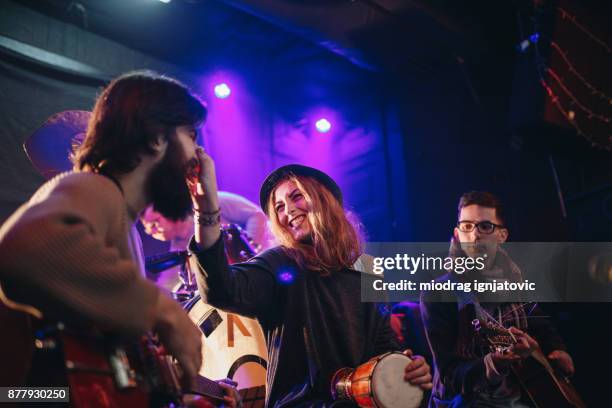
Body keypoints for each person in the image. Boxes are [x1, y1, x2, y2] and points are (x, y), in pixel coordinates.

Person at [0, 71, 232, 403]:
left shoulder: (117, 218)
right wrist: (162, 308)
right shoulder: (94, 187)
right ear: (155, 136)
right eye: (190, 134)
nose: (199, 154)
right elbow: (24, 250)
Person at [187, 158, 433, 406]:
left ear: (325, 199)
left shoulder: (367, 269)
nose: (288, 210)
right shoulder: (280, 262)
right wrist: (206, 212)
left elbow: (383, 346)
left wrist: (406, 368)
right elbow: (220, 289)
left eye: (296, 196)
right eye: (279, 207)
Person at [420, 191, 574, 407]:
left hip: (523, 397)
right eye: (467, 226)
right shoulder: (437, 293)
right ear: (457, 235)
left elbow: (541, 325)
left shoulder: (516, 282)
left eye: (485, 226)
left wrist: (557, 349)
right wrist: (495, 362)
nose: (474, 236)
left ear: (502, 235)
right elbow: (450, 375)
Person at [141, 192, 273, 291]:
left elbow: (256, 215)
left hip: (272, 262)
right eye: (148, 230)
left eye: (155, 223)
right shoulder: (178, 249)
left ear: (168, 210)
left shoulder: (213, 202)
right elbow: (167, 284)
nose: (152, 232)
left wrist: (249, 254)